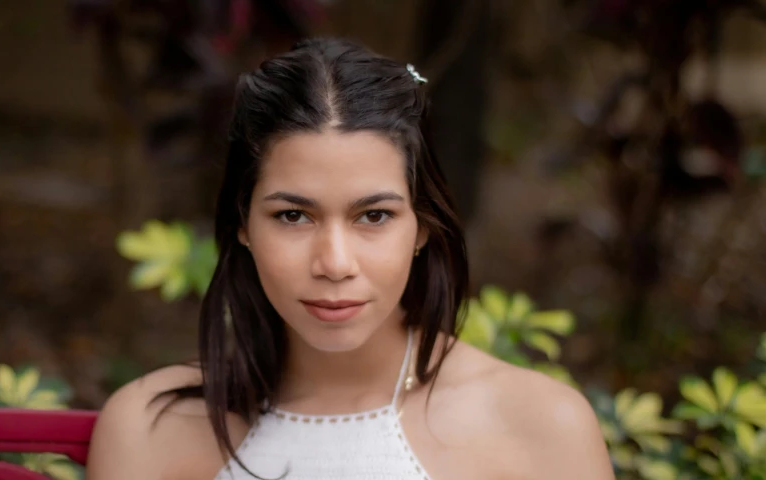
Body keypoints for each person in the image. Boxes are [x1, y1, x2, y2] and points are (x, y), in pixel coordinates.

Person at [86, 37, 615, 480]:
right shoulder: (149, 428)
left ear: (423, 225)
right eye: (293, 216)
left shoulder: (540, 428)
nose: (335, 263)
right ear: (243, 224)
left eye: (374, 216)